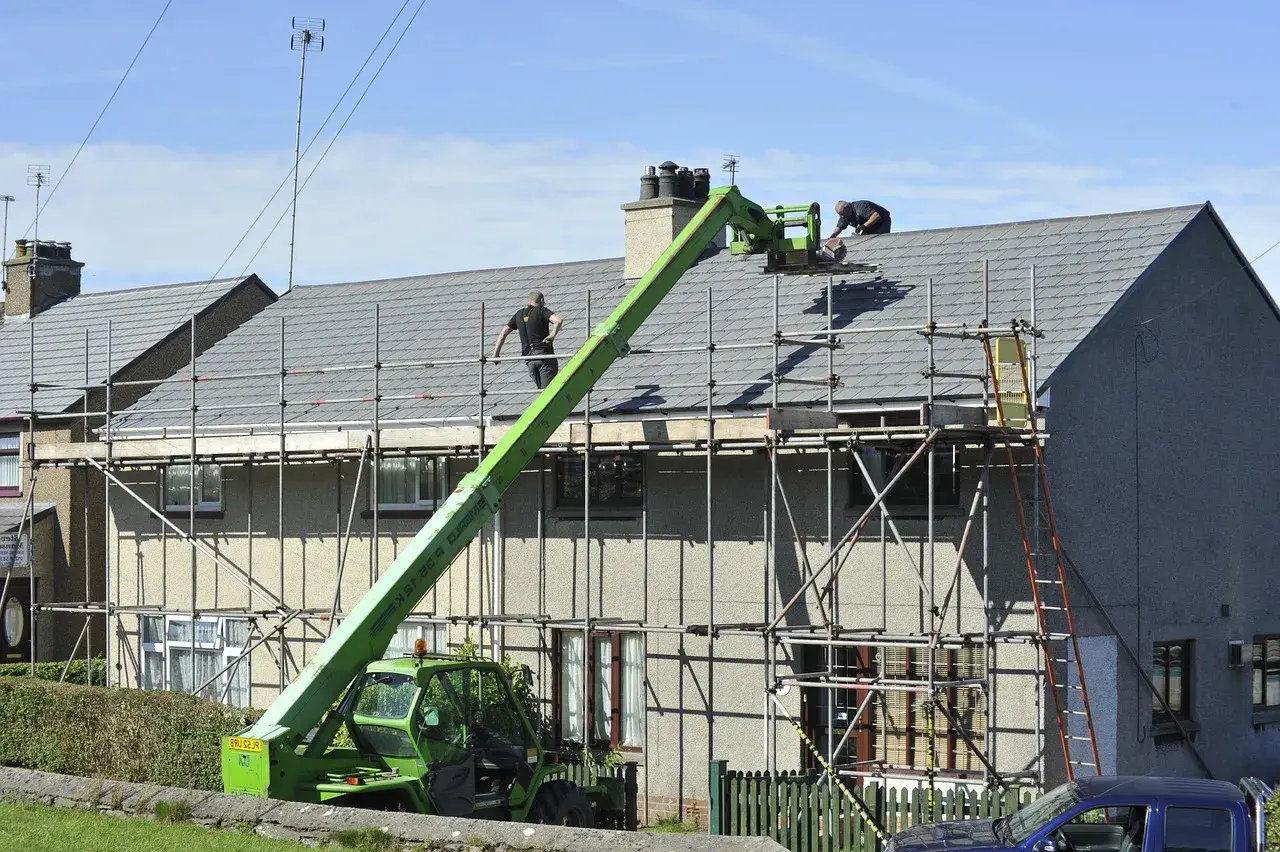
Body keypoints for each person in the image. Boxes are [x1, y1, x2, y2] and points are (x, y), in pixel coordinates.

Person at [493, 290, 563, 389]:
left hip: (529, 359)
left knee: (541, 391)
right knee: (548, 392)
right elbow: (558, 321)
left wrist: (496, 355)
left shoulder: (519, 314)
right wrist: (552, 335)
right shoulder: (541, 310)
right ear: (541, 300)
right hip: (544, 356)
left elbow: (503, 334)